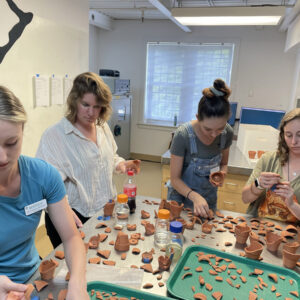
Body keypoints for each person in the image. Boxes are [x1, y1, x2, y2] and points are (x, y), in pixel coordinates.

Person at [0, 86, 88, 299]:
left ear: (22, 131)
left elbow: (70, 237)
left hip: (33, 279)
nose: (2, 158)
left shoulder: (42, 175)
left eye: (12, 143)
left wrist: (77, 282)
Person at [36, 72, 140, 248]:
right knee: (74, 269)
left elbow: (110, 156)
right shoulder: (55, 136)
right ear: (74, 101)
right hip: (71, 217)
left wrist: (121, 164)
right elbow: (44, 185)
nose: (91, 112)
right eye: (85, 105)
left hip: (104, 210)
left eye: (97, 106)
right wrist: (64, 212)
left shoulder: (102, 127)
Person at [168, 79, 233, 218]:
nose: (214, 134)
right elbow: (175, 179)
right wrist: (194, 196)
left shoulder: (227, 133)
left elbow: (224, 164)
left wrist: (222, 174)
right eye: (208, 129)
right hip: (181, 199)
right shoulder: (183, 135)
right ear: (198, 117)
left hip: (208, 199)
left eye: (220, 128)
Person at [242, 108, 300, 222]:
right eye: (289, 135)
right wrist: (258, 185)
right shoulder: (269, 159)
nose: (294, 142)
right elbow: (245, 198)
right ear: (283, 136)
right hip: (257, 230)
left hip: (290, 235)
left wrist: (292, 204)